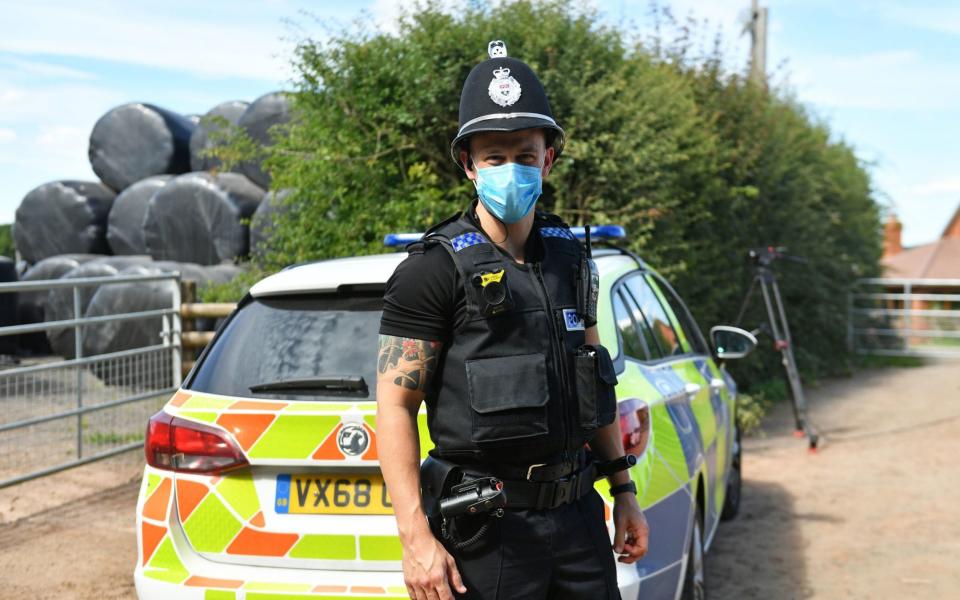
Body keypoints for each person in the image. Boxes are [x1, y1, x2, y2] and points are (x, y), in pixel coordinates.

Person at [376, 41, 649, 600]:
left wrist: (623, 491)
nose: (511, 170)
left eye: (525, 156)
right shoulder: (432, 271)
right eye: (494, 158)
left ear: (548, 159)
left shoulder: (572, 260)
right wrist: (414, 539)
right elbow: (395, 406)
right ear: (468, 164)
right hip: (486, 535)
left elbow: (593, 381)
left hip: (578, 523)